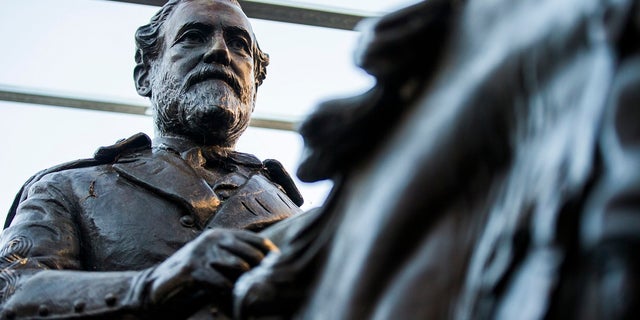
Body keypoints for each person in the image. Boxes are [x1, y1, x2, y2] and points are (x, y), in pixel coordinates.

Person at [0, 0, 303, 318]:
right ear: (145, 74)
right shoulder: (68, 188)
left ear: (254, 84)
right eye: (193, 36)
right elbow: (12, 291)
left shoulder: (294, 211)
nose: (220, 51)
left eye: (239, 44)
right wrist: (153, 284)